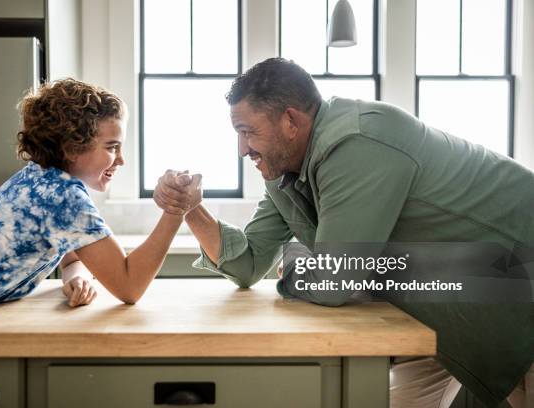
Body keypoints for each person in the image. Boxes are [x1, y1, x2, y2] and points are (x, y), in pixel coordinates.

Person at [153, 57, 533, 407]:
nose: (241, 149)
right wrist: (190, 208)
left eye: (247, 132)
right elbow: (249, 262)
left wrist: (301, 268)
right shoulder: (285, 172)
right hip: (446, 322)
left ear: (290, 121)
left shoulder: (358, 141)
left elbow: (335, 280)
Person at [0, 79, 201, 393]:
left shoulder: (41, 177)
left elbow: (69, 253)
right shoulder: (62, 196)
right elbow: (129, 286)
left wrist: (75, 274)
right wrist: (176, 210)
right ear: (71, 148)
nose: (121, 160)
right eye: (112, 147)